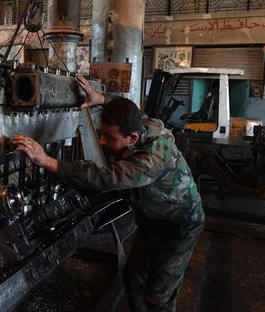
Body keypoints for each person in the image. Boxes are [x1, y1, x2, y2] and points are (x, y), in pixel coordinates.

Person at [13, 75, 204, 311]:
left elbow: (106, 179)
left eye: (109, 137)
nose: (102, 141)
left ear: (132, 138)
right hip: (151, 220)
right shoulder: (142, 123)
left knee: (159, 297)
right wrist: (100, 98)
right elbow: (127, 108)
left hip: (178, 226)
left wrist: (49, 162)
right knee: (134, 280)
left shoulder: (150, 160)